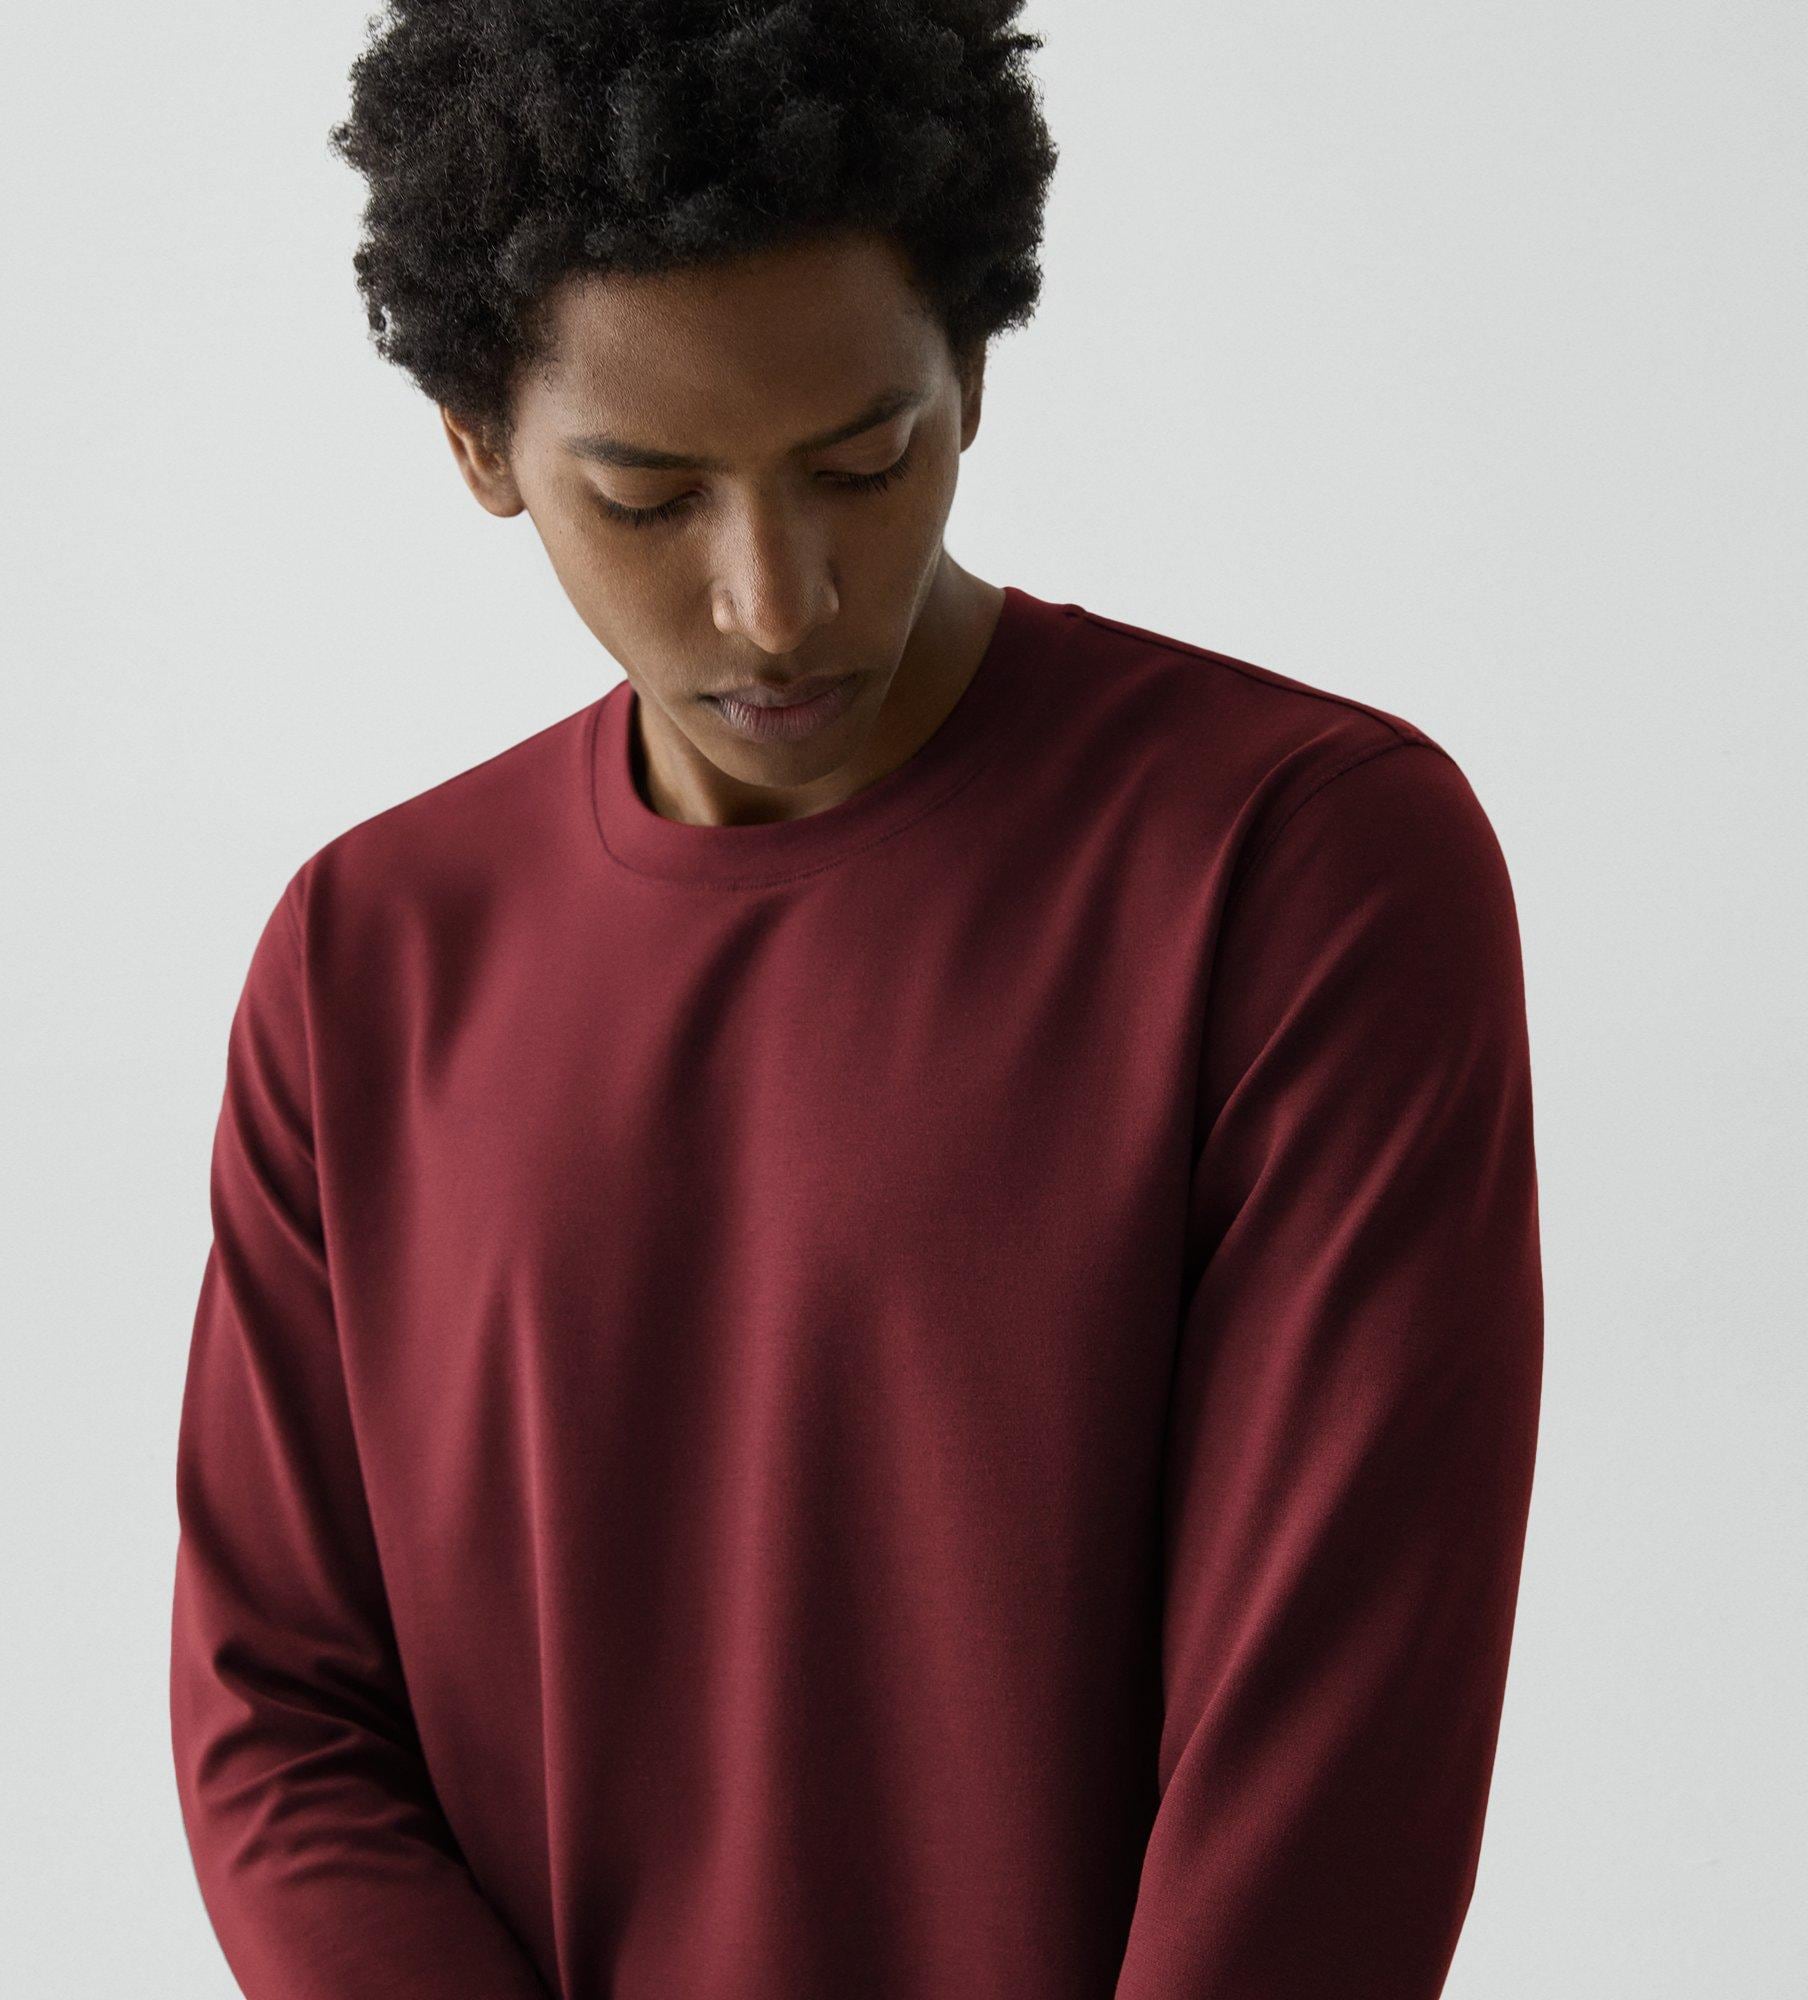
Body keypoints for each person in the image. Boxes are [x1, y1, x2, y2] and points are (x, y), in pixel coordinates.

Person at [167, 5, 1543, 1997]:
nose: (778, 598)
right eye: (649, 497)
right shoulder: (365, 956)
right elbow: (279, 1719)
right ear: (477, 442)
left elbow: (1330, 1760)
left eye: (864, 461)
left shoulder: (1298, 869)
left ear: (970, 371)